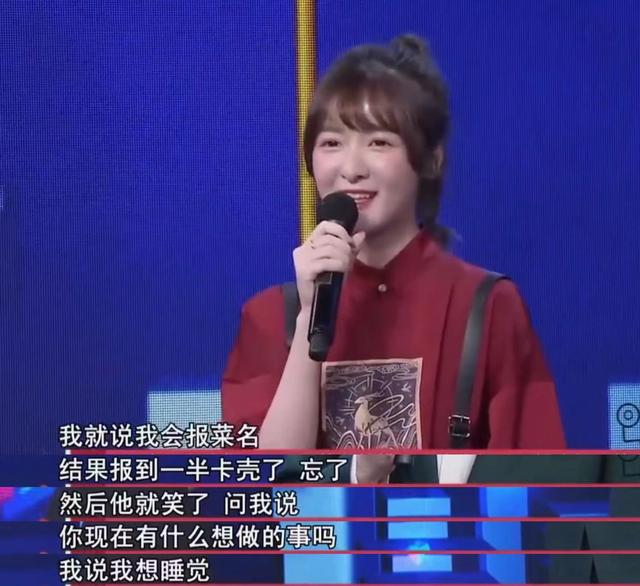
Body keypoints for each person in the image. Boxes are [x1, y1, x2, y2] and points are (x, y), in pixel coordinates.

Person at [222, 34, 565, 453]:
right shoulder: (269, 317)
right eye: (331, 143)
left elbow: (533, 476)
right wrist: (310, 316)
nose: (351, 168)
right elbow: (266, 479)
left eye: (379, 142)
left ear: (431, 159)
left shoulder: (488, 306)